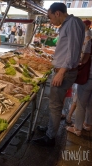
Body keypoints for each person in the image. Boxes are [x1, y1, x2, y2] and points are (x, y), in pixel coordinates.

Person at [32, 3, 85, 147]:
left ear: (57, 13)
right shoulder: (69, 24)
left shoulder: (72, 23)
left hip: (65, 72)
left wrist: (61, 72)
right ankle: (50, 128)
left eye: (50, 17)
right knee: (55, 104)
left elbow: (73, 52)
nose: (50, 21)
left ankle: (50, 137)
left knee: (54, 106)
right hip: (64, 70)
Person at [66, 19, 92, 136]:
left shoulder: (90, 42)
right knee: (91, 103)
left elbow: (84, 60)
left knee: (81, 103)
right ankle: (87, 124)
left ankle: (77, 128)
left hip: (88, 78)